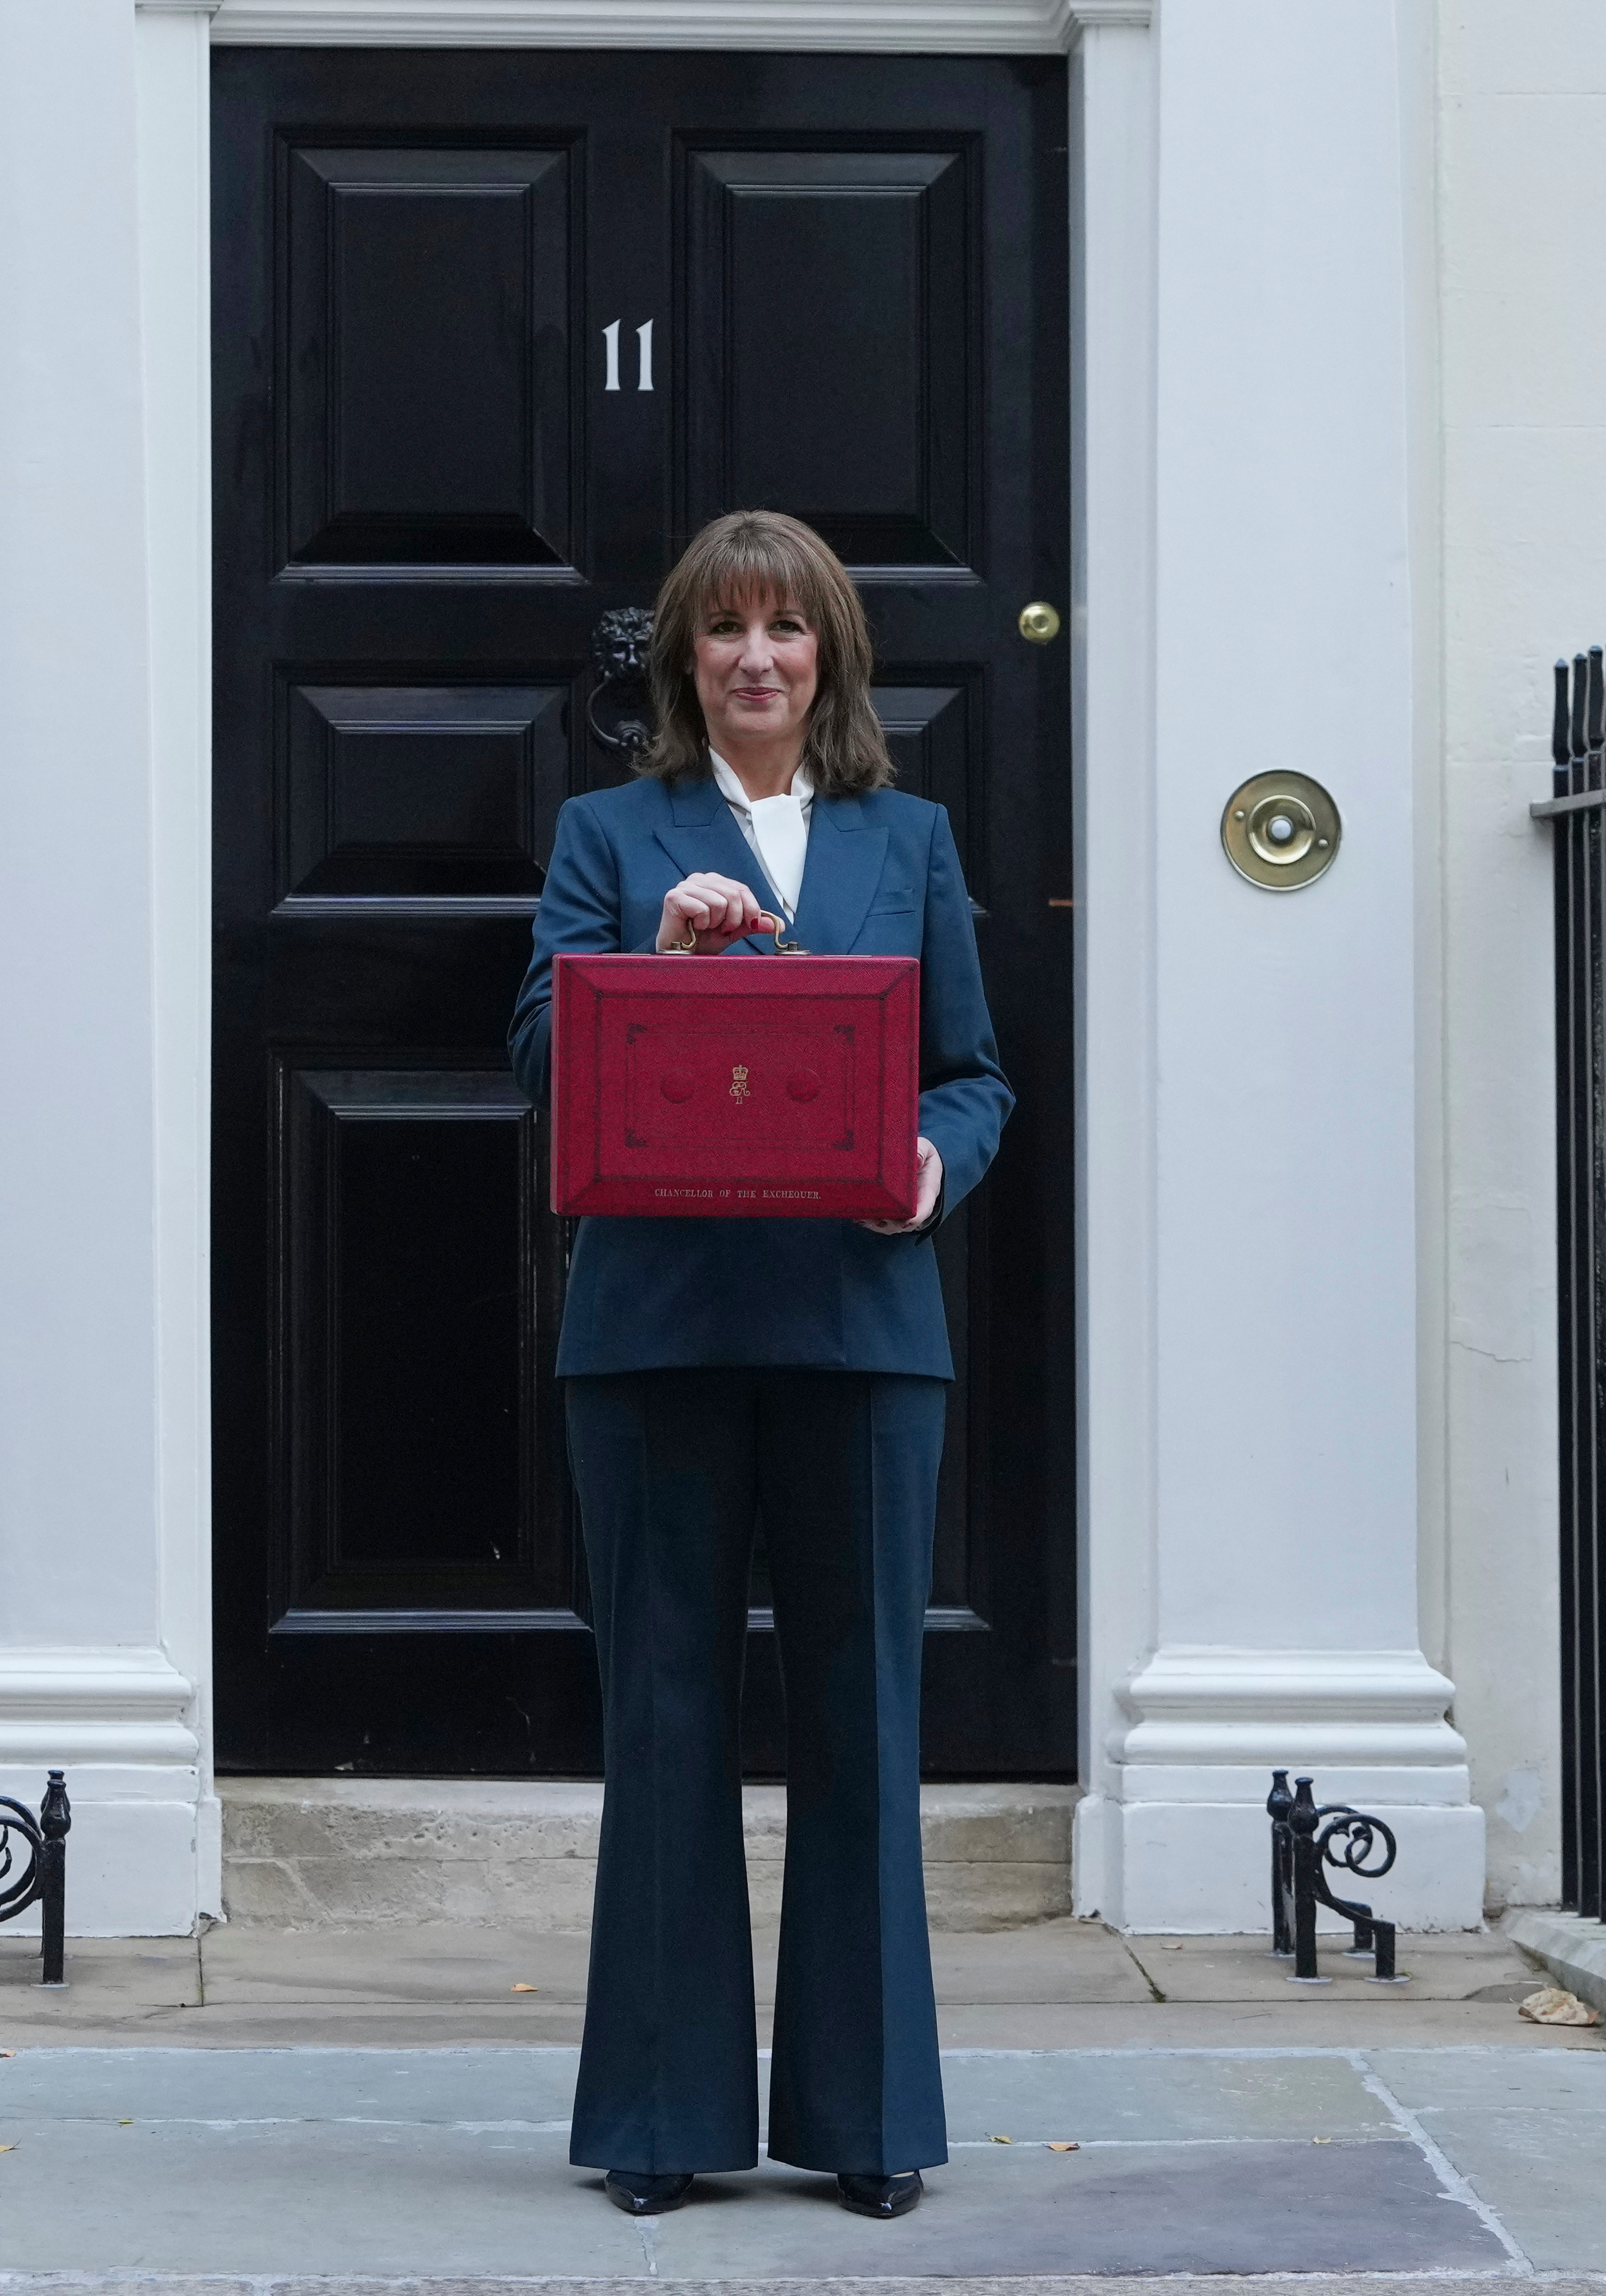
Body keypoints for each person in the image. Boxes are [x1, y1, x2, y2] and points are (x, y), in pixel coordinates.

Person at [507, 509, 1014, 2221]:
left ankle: (871, 2122)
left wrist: (933, 1166)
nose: (754, 659)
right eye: (722, 631)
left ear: (829, 658)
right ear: (683, 661)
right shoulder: (608, 832)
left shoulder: (911, 835)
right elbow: (534, 1053)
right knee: (664, 1716)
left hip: (864, 1336)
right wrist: (646, 963)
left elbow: (971, 1074)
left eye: (785, 630)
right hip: (657, 1336)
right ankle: (660, 2119)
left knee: (865, 1721)